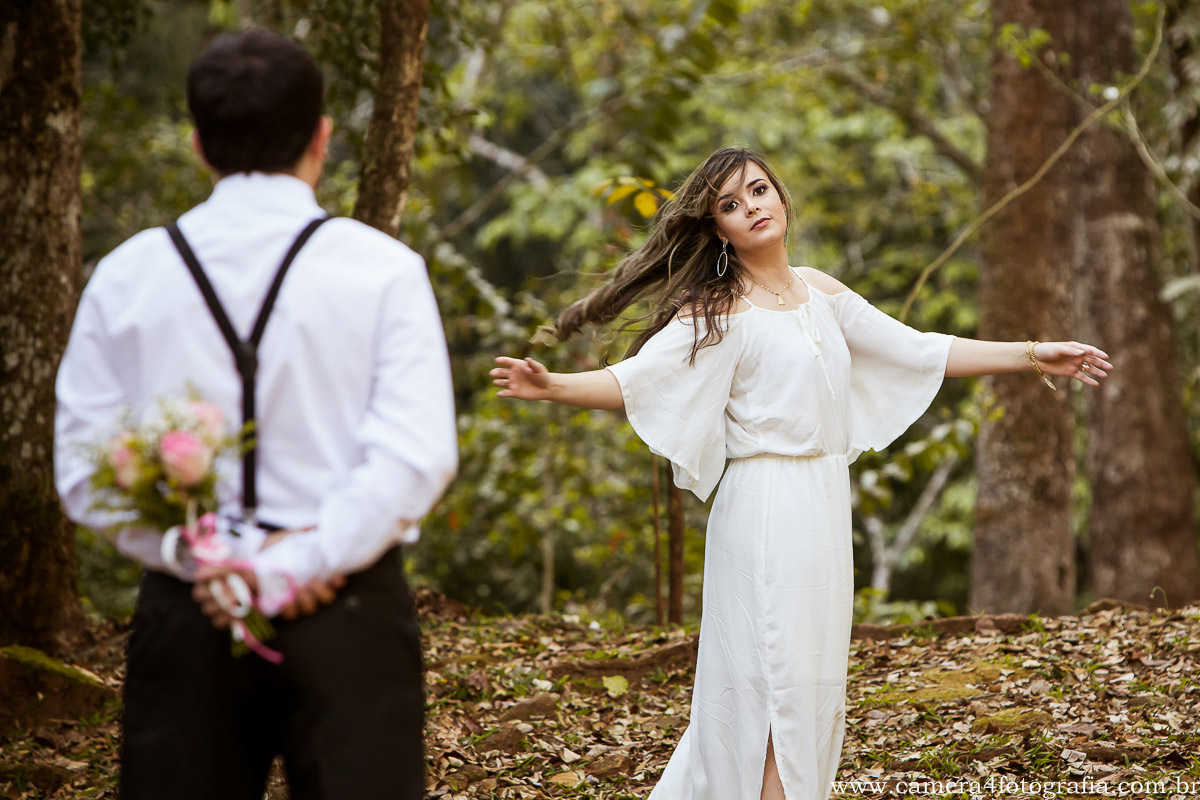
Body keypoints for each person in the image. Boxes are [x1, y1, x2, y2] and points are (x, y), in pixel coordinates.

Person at [491, 146, 1110, 800]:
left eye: (758, 190)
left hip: (821, 503)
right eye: (730, 204)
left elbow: (923, 349)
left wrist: (1036, 352)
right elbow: (637, 380)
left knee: (811, 687)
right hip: (762, 507)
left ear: (781, 197)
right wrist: (552, 385)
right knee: (770, 686)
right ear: (718, 229)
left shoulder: (823, 292)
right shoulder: (719, 309)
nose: (751, 206)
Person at [54, 29, 457, 800]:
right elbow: (416, 454)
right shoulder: (383, 270)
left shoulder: (127, 274)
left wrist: (211, 566)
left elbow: (83, 466)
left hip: (188, 613)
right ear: (322, 138)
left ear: (200, 143)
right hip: (349, 610)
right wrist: (297, 565)